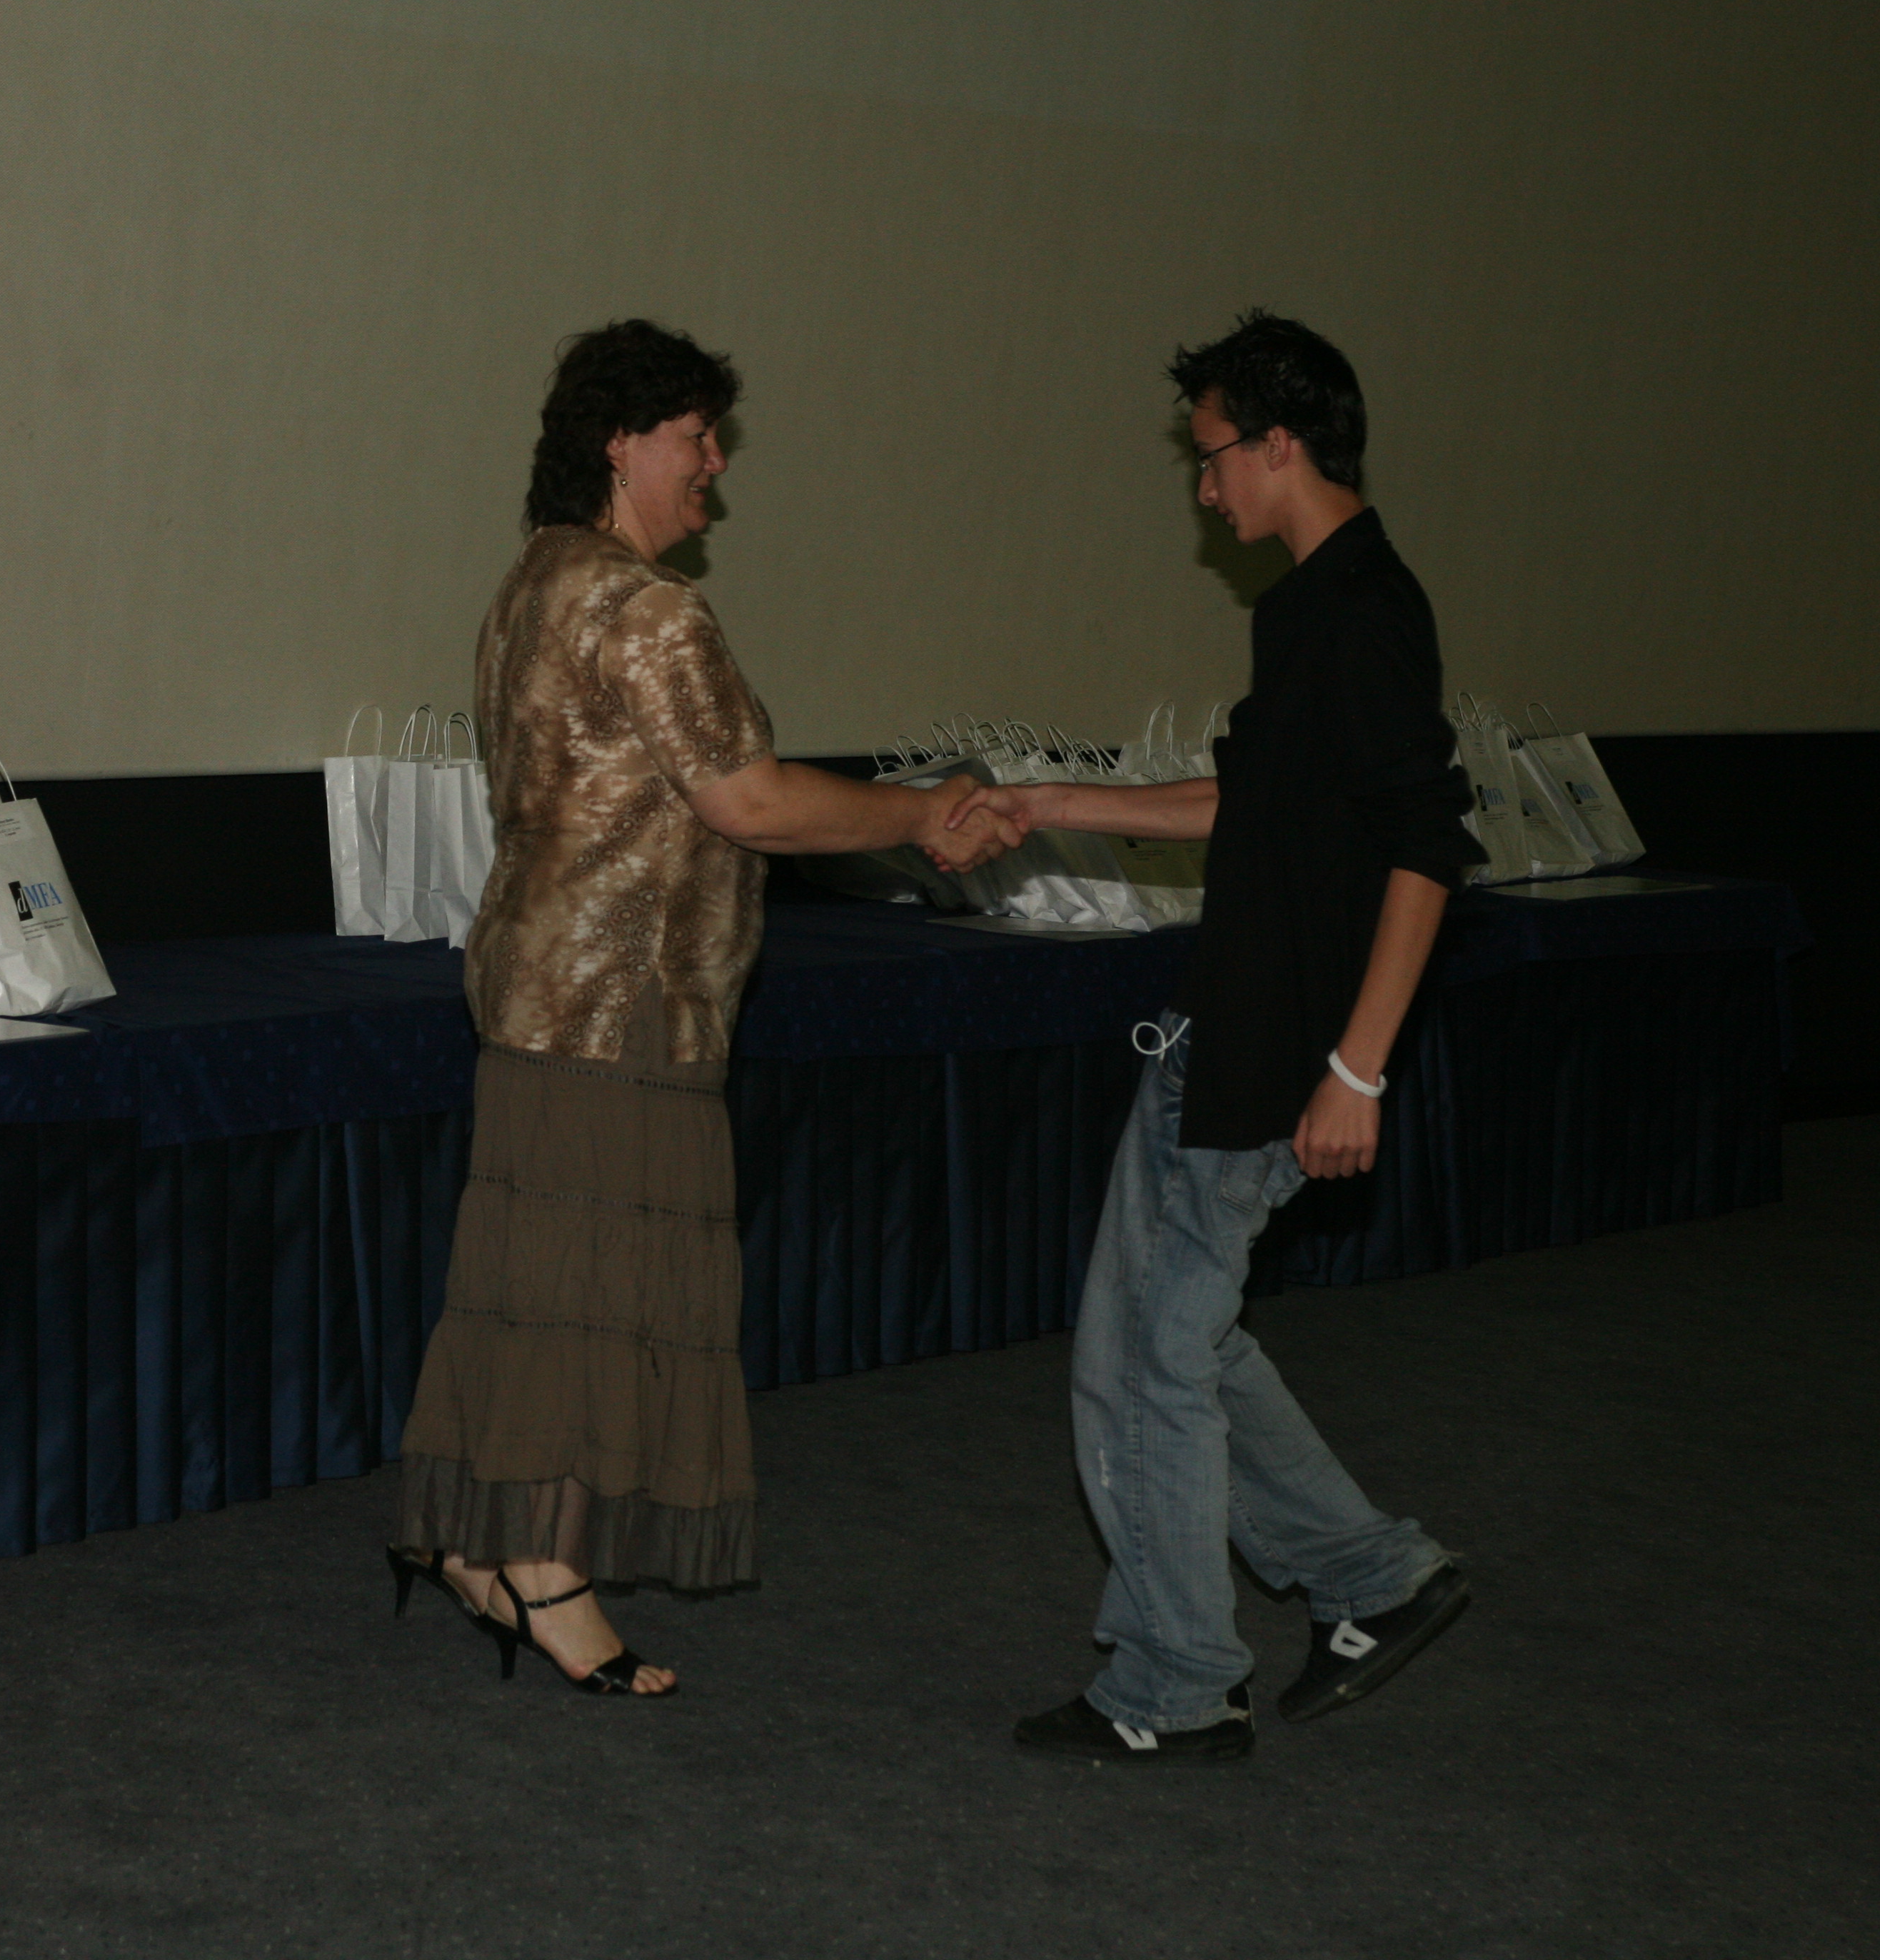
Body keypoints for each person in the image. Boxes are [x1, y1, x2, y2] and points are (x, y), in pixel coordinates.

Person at [389, 319, 1018, 1695]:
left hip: (539, 991)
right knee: (596, 1296)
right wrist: (925, 813)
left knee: (535, 1287)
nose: (716, 464)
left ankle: (484, 1546)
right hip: (621, 1008)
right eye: (695, 436)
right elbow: (752, 801)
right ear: (619, 443)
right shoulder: (647, 608)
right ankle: (542, 1568)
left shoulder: (533, 585)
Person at [957, 311, 1482, 1763]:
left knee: (1143, 1356)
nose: (1204, 490)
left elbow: (1429, 847)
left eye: (1213, 457)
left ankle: (1176, 1684)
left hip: (1280, 1046)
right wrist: (1041, 803)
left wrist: (1357, 1068)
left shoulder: (1364, 609)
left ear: (1281, 442)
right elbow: (1251, 804)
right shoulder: (1311, 604)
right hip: (1237, 1024)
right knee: (1180, 1340)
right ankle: (1373, 1575)